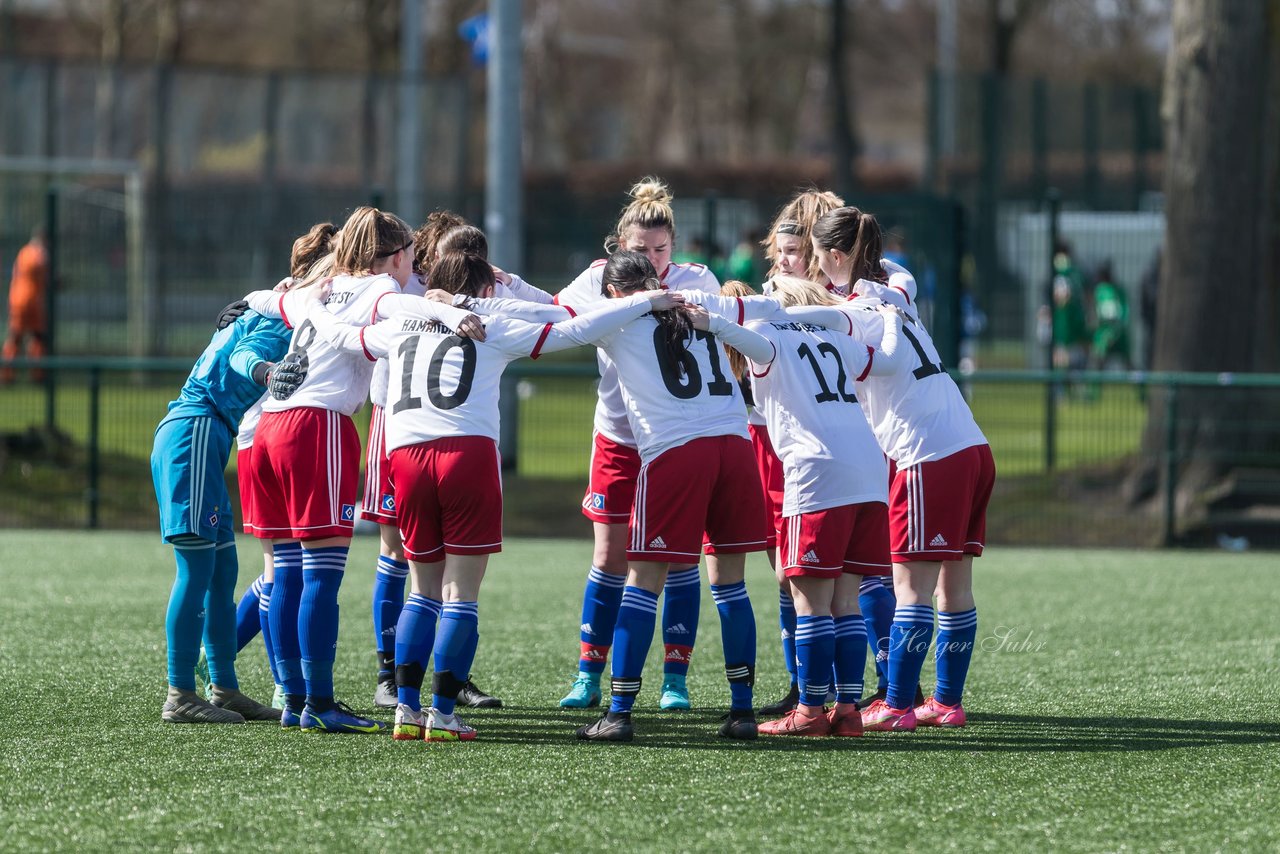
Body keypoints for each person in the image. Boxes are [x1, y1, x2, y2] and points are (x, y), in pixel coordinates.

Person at [290, 250, 684, 741]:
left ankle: (406, 710)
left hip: (406, 458)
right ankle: (444, 714)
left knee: (422, 590)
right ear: (483, 291)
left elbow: (343, 336)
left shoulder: (400, 326)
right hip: (466, 457)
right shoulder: (487, 325)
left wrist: (312, 305)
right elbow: (572, 328)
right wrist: (644, 301)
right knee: (461, 596)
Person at [805, 206, 995, 731]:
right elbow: (896, 282)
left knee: (911, 590)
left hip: (926, 456)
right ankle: (946, 702)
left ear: (836, 256)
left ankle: (897, 705)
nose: (817, 269)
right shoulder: (892, 292)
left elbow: (845, 333)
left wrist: (784, 311)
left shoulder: (858, 307)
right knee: (953, 587)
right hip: (971, 445)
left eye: (820, 258)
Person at [573, 251, 772, 742]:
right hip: (736, 446)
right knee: (731, 585)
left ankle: (618, 713)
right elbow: (763, 347)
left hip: (676, 453)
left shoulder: (615, 322)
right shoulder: (702, 311)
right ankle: (742, 711)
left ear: (617, 293)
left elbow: (556, 325)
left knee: (641, 584)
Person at [245, 205, 415, 734]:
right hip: (316, 427)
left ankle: (294, 699)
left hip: (269, 426)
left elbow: (274, 301)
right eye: (411, 253)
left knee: (288, 573)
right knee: (321, 574)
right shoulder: (386, 291)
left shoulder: (327, 282)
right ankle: (319, 701)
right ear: (393, 258)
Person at [554, 179, 721, 713]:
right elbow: (555, 316)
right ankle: (588, 674)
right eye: (639, 250)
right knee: (610, 554)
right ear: (618, 246)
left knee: (679, 559)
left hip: (678, 439)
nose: (651, 259)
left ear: (675, 245)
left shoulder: (698, 280)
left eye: (660, 250)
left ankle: (676, 679)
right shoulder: (596, 280)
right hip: (621, 437)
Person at [753, 188, 900, 714]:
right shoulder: (776, 297)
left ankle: (888, 683)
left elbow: (887, 320)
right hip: (784, 443)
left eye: (798, 250)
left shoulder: (854, 294)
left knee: (854, 578)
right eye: (781, 250)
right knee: (792, 570)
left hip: (838, 444)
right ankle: (808, 686)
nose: (787, 260)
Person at [150, 261, 307, 724]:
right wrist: (268, 370)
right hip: (195, 433)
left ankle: (223, 688)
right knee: (197, 569)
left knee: (223, 571)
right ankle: (180, 693)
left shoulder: (276, 307)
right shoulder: (283, 316)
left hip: (207, 436)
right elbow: (244, 356)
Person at [197, 223, 338, 710]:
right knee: (286, 572)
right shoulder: (296, 308)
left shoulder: (287, 300)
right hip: (272, 435)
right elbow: (246, 352)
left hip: (263, 436)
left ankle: (223, 660)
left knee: (279, 571)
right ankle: (282, 683)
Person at [2, 228, 48, 384]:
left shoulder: (30, 252)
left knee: (36, 337)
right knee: (17, 337)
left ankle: (36, 374)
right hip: (24, 301)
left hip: (29, 300)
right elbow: (38, 271)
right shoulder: (33, 252)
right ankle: (7, 374)